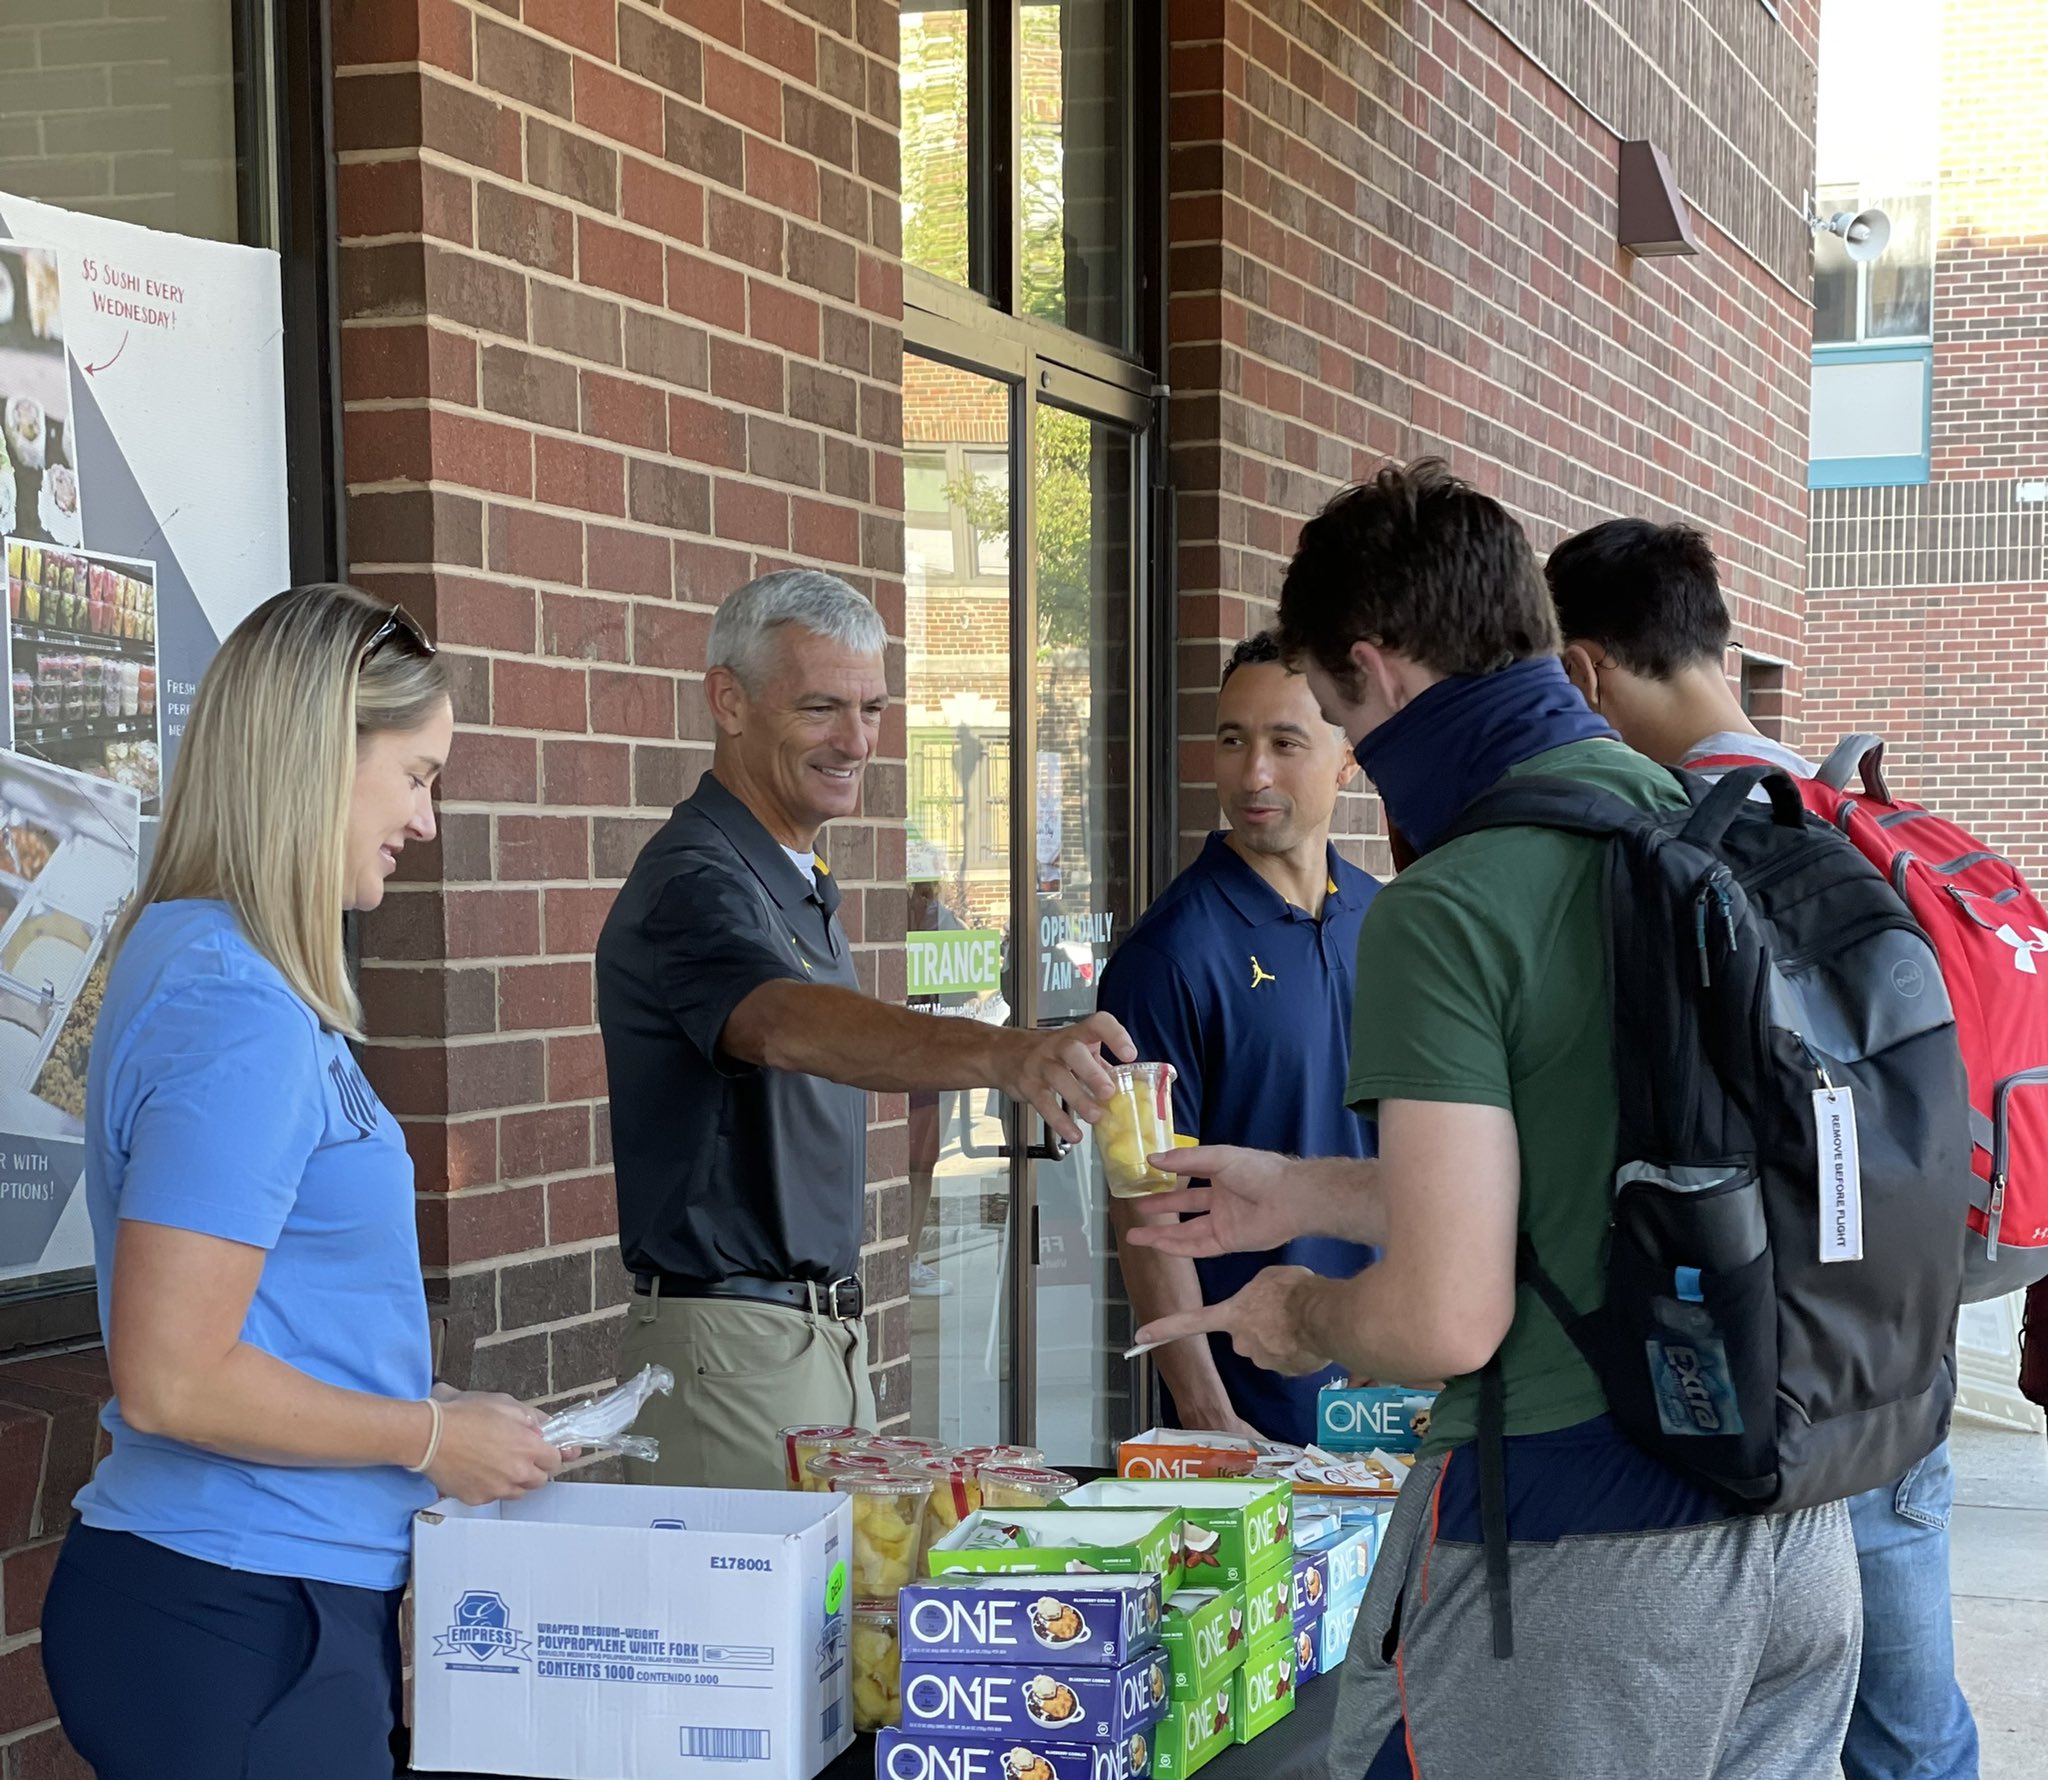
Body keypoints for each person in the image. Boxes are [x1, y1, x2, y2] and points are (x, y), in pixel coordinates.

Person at [1127, 463, 1861, 1779]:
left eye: (1330, 713)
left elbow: (1442, 1319)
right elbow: (1593, 1174)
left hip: (1579, 1555)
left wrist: (1304, 1316)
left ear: (1375, 673)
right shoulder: (1698, 824)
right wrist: (1305, 1191)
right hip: (1795, 1526)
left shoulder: (1449, 901)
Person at [37, 585, 567, 1780]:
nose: (426, 822)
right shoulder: (236, 1006)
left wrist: (429, 1409)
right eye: (418, 775)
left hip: (246, 1600)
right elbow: (172, 1376)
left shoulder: (209, 959)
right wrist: (428, 1434)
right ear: (324, 752)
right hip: (237, 1610)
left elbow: (251, 1307)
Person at [1547, 516, 1979, 1780]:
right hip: (1904, 1344)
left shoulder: (1678, 849)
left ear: (1579, 674)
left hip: (1770, 1366)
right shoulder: (1845, 818)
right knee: (1911, 1732)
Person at [597, 570, 1132, 1489]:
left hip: (816, 1341)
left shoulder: (788, 875)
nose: (855, 742)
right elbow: (778, 1022)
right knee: (765, 1636)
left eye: (872, 709)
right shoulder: (698, 881)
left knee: (845, 1629)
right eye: (820, 709)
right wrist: (1005, 1054)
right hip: (733, 1349)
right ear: (729, 700)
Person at [1097, 631, 1378, 1444]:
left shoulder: (1386, 921)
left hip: (1395, 1391)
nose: (1253, 773)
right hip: (1253, 1426)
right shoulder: (1168, 957)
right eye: (1232, 741)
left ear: (1346, 756)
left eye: (1286, 743)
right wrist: (1207, 1416)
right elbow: (1142, 1202)